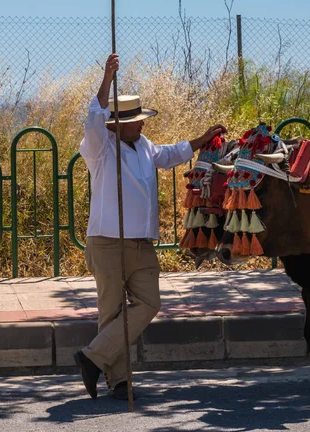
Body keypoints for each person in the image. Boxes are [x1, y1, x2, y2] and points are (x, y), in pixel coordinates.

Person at [74, 53, 226, 400]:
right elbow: (93, 119)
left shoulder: (143, 145)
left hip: (141, 243)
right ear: (116, 125)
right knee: (111, 312)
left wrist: (201, 140)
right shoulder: (100, 148)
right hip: (108, 241)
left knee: (150, 302)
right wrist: (107, 79)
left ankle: (92, 358)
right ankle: (119, 381)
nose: (143, 124)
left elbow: (170, 155)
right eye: (137, 120)